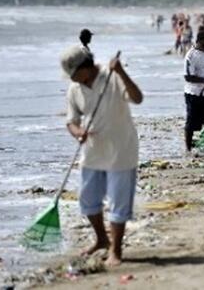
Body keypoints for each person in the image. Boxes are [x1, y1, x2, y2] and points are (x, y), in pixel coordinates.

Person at [61, 45, 143, 267]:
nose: (73, 79)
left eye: (74, 73)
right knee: (88, 199)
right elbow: (71, 121)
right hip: (93, 150)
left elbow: (138, 98)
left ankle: (116, 250)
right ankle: (101, 239)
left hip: (121, 149)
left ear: (85, 67)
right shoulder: (74, 89)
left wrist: (122, 73)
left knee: (119, 200)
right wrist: (78, 133)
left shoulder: (112, 77)